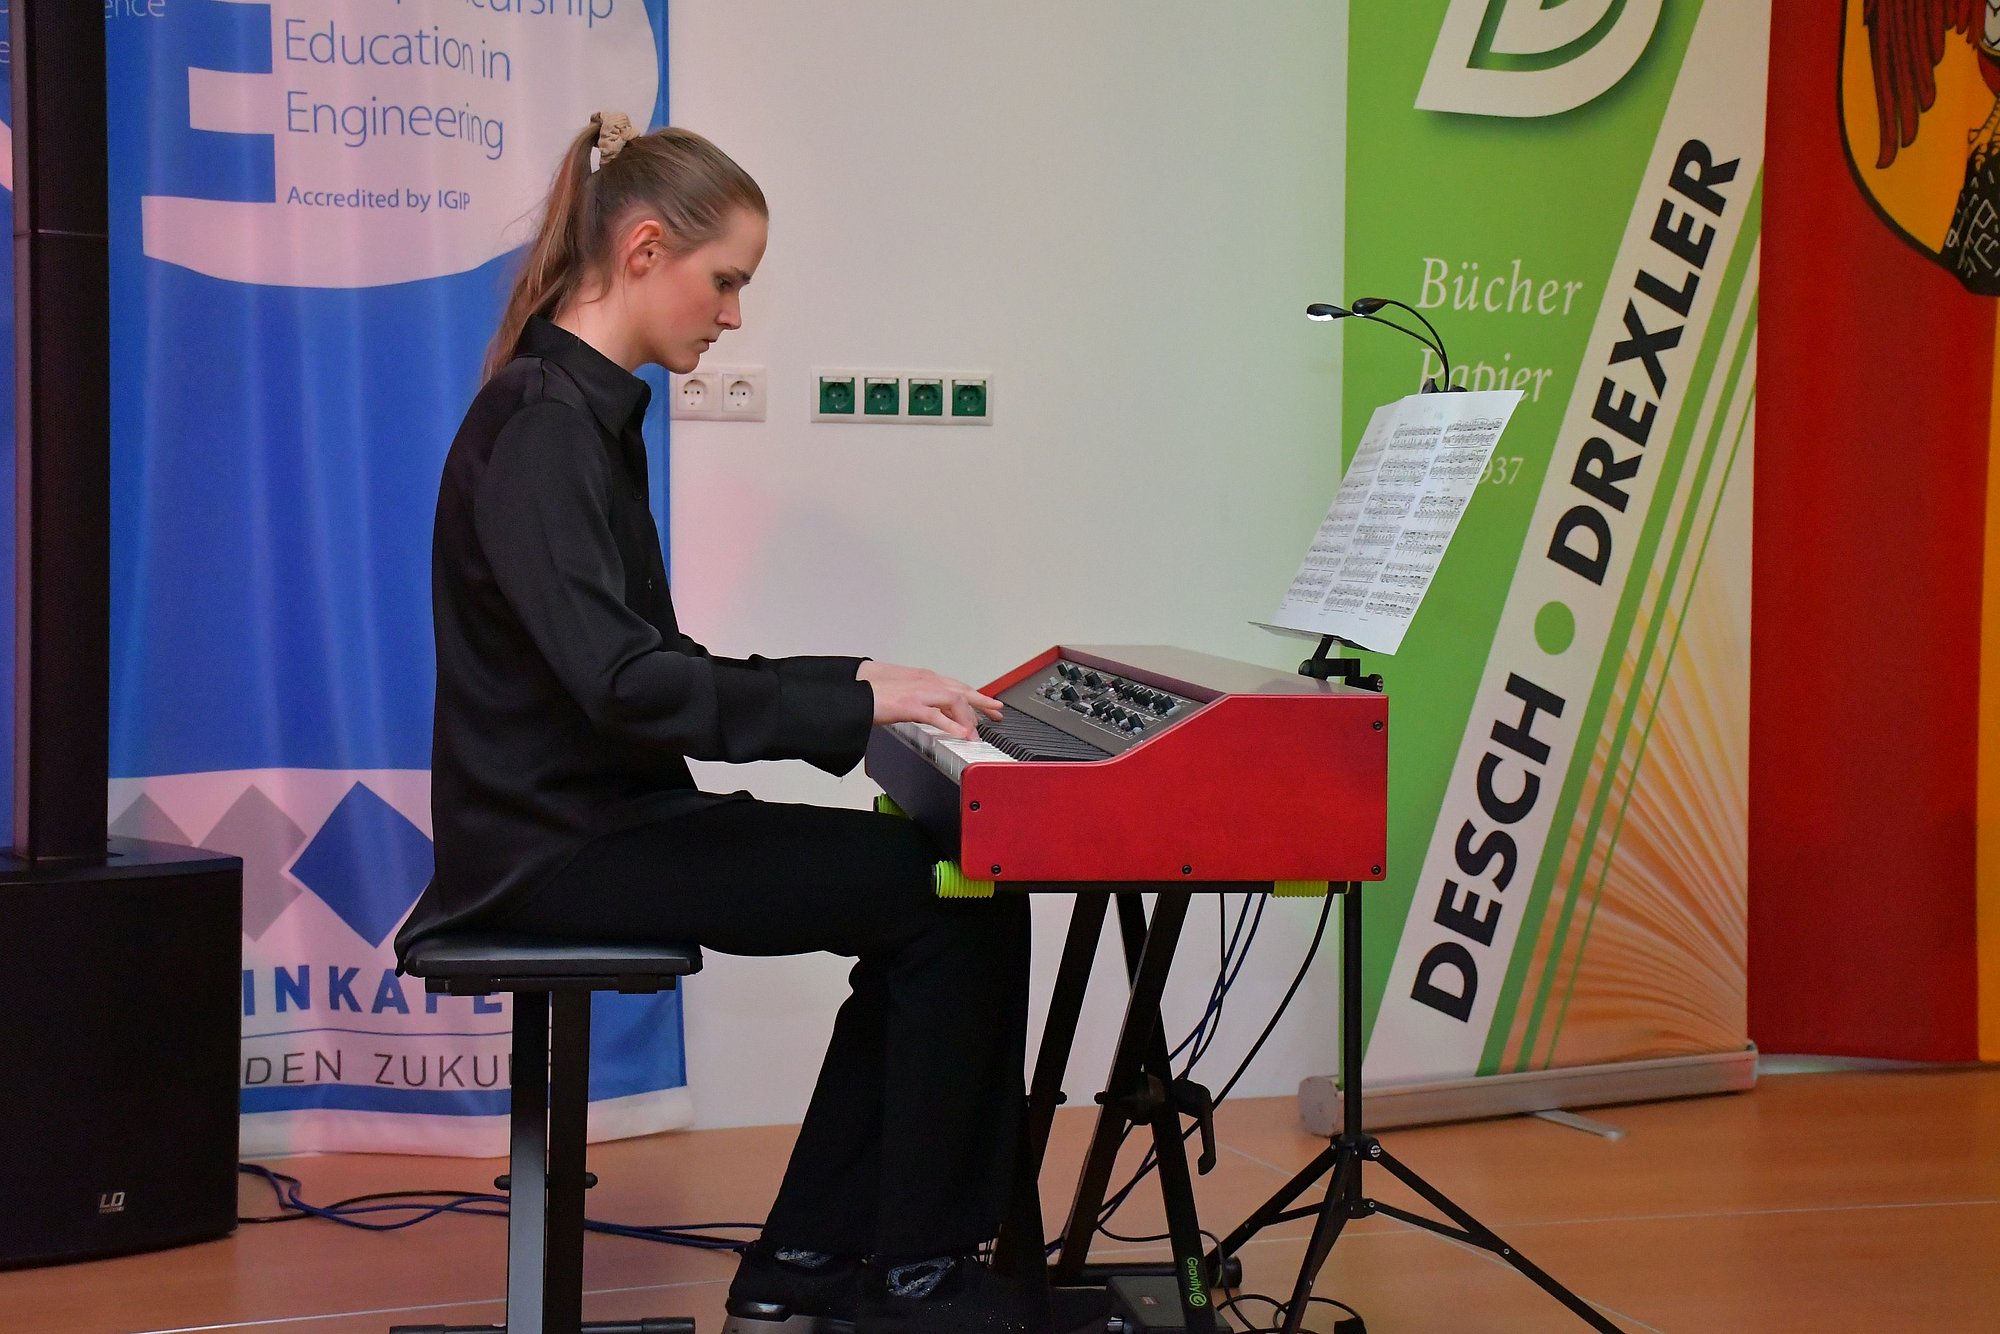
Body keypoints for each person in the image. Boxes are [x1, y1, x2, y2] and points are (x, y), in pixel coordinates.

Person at [393, 112, 1037, 1334]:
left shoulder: (579, 414)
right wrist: (850, 705)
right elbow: (626, 684)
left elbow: (654, 664)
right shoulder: (543, 427)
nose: (733, 315)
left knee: (937, 889)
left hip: (591, 824)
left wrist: (854, 675)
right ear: (643, 250)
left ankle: (810, 1259)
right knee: (947, 901)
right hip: (557, 850)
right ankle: (912, 1276)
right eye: (725, 280)